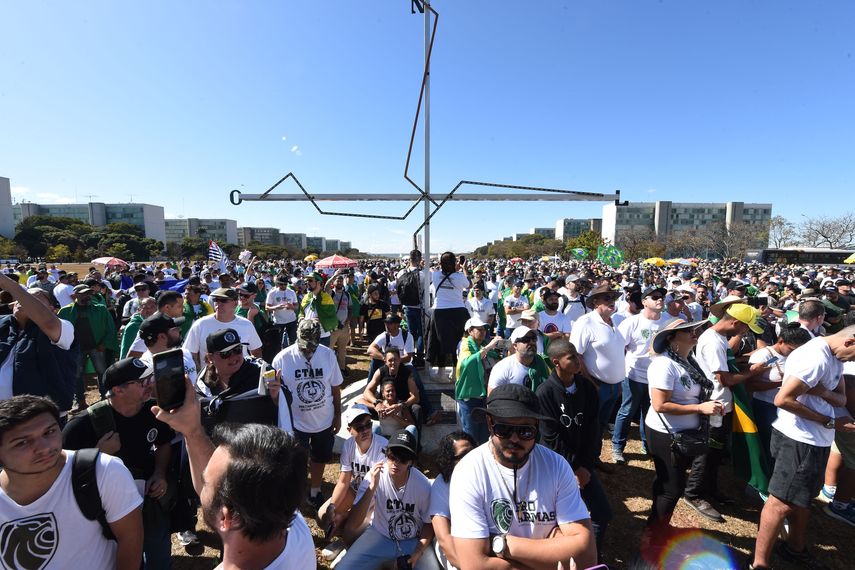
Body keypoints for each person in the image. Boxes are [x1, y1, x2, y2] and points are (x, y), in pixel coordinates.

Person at [151, 381, 317, 569]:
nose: (202, 481)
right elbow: (225, 484)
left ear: (226, 519)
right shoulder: (286, 516)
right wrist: (193, 431)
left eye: (206, 482)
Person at [449, 383, 596, 569]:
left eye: (525, 431)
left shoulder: (557, 466)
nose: (514, 439)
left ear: (537, 427)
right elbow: (474, 565)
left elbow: (586, 554)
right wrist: (554, 548)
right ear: (489, 424)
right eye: (503, 429)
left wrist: (502, 545)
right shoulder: (469, 471)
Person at [748, 327, 854, 570]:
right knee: (780, 502)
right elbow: (783, 399)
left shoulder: (835, 356)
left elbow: (842, 398)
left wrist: (823, 393)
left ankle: (794, 548)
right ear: (850, 342)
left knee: (802, 498)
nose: (852, 361)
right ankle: (759, 563)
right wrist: (830, 421)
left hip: (816, 439)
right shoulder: (815, 358)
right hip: (799, 439)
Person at [0, 395, 143, 569]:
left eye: (49, 432)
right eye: (23, 442)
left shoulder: (103, 471)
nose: (44, 447)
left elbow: (130, 538)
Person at [62, 357, 174, 569]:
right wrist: (99, 455)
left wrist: (159, 473)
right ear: (118, 390)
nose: (150, 384)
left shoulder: (153, 411)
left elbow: (164, 443)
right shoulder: (81, 426)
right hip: (105, 509)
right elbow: (63, 475)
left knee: (158, 551)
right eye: (142, 382)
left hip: (147, 496)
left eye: (150, 378)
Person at [687, 301, 769, 520]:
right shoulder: (713, 342)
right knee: (707, 451)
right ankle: (693, 494)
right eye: (745, 327)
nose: (746, 332)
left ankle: (709, 489)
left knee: (716, 451)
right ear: (735, 322)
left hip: (722, 404)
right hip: (715, 404)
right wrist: (752, 372)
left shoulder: (719, 338)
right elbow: (725, 379)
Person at [535, 338, 612, 559]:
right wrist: (575, 468)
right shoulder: (545, 393)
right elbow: (551, 438)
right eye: (572, 358)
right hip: (556, 467)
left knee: (602, 513)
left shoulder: (587, 388)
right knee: (555, 519)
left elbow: (593, 429)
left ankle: (592, 559)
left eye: (578, 356)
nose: (578, 361)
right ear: (555, 362)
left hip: (584, 466)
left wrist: (586, 466)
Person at [337, 429, 435, 570]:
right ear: (386, 454)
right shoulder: (375, 475)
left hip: (411, 541)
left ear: (411, 462)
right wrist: (372, 487)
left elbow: (428, 524)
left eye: (403, 458)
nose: (396, 463)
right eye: (392, 456)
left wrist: (418, 551)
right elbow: (354, 522)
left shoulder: (422, 484)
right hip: (380, 536)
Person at [272, 319, 343, 510]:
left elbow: (335, 388)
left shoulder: (328, 355)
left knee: (320, 457)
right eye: (305, 346)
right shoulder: (282, 359)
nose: (308, 350)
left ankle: (315, 490)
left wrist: (338, 415)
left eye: (312, 346)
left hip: (324, 420)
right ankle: (297, 493)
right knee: (296, 461)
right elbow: (275, 397)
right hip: (296, 423)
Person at [0, 274, 77, 419]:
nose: (23, 300)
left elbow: (49, 323)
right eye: (20, 298)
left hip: (39, 420)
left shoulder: (63, 327)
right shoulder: (4, 324)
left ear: (52, 309)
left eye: (33, 297)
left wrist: (9, 284)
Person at [319, 404, 389, 560]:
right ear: (349, 430)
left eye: (368, 425)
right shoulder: (349, 444)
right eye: (359, 427)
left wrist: (347, 515)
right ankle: (346, 537)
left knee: (351, 527)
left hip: (375, 497)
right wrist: (332, 507)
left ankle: (347, 542)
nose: (365, 430)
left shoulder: (383, 447)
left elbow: (374, 490)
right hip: (356, 490)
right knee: (323, 516)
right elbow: (344, 481)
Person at [569, 284, 626, 464]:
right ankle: (583, 462)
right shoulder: (585, 322)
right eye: (607, 298)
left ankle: (594, 458)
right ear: (595, 302)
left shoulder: (615, 321)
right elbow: (575, 355)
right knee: (588, 425)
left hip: (614, 387)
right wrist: (591, 383)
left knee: (600, 426)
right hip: (596, 385)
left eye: (613, 298)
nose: (612, 301)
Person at [612, 285, 668, 463]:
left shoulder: (668, 321)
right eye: (655, 297)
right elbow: (618, 347)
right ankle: (617, 447)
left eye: (661, 296)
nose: (660, 299)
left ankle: (647, 445)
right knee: (627, 411)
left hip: (657, 378)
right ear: (644, 302)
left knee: (650, 413)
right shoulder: (632, 322)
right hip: (634, 376)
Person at [746, 323, 812, 460]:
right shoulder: (764, 356)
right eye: (791, 349)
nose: (794, 353)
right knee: (769, 446)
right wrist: (781, 383)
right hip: (765, 407)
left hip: (787, 408)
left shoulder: (797, 356)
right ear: (781, 341)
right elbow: (751, 385)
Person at [58, 283, 118, 403]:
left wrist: (104, 343)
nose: (87, 296)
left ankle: (105, 397)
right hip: (76, 348)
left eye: (88, 293)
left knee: (102, 372)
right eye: (83, 294)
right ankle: (80, 400)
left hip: (97, 346)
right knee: (76, 374)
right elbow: (60, 331)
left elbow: (111, 328)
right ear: (75, 295)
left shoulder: (100, 309)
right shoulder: (65, 311)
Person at [429, 431, 477, 570]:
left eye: (472, 452)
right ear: (450, 461)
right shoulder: (442, 485)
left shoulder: (487, 476)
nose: (470, 458)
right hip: (456, 545)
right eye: (463, 455)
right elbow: (444, 538)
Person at [182, 287, 263, 369]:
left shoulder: (246, 324)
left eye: (223, 300)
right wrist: (197, 373)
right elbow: (190, 354)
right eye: (216, 300)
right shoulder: (200, 324)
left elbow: (256, 351)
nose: (218, 304)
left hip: (241, 375)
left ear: (235, 303)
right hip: (212, 375)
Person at [455, 317, 502, 444]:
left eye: (484, 329)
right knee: (471, 437)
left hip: (482, 396)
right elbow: (467, 363)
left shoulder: (479, 346)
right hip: (469, 397)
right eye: (479, 329)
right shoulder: (464, 344)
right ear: (470, 331)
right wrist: (489, 347)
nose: (483, 332)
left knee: (484, 436)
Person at [427, 252, 471, 369]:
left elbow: (444, 271)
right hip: (458, 311)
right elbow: (469, 285)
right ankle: (456, 369)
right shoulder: (460, 276)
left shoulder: (435, 275)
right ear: (454, 263)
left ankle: (440, 370)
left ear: (440, 263)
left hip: (440, 311)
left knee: (439, 341)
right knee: (458, 341)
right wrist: (464, 268)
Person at [487, 325, 550, 394]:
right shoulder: (502, 368)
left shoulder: (541, 362)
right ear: (515, 345)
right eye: (526, 339)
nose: (531, 342)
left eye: (534, 338)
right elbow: (492, 397)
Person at [299, 271, 338, 347]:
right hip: (307, 336)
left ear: (319, 283)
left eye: (310, 280)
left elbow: (332, 317)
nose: (307, 283)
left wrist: (319, 319)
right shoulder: (306, 297)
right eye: (307, 281)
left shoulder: (326, 298)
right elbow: (301, 313)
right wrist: (301, 318)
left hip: (322, 337)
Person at [325, 271, 353, 375]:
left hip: (344, 327)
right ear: (334, 282)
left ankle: (342, 368)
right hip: (333, 327)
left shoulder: (347, 294)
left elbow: (350, 308)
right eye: (338, 280)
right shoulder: (330, 294)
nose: (340, 282)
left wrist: (348, 320)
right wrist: (334, 275)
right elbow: (326, 287)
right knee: (329, 349)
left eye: (341, 280)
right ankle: (328, 370)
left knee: (342, 349)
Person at [266, 274, 299, 349]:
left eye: (285, 284)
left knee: (293, 341)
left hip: (291, 320)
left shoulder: (291, 292)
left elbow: (296, 306)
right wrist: (276, 307)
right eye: (281, 284)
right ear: (277, 283)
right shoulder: (272, 293)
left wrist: (291, 307)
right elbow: (267, 307)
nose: (283, 286)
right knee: (277, 343)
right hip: (278, 321)